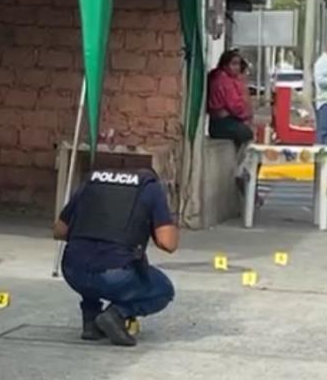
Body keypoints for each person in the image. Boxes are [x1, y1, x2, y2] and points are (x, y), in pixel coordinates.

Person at [53, 168, 178, 347]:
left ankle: (91, 320)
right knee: (163, 289)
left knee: (88, 258)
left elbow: (60, 231)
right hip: (114, 274)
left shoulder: (91, 181)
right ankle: (116, 314)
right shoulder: (150, 188)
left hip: (72, 271)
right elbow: (168, 243)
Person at [207, 49, 254, 149]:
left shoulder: (231, 79)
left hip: (223, 121)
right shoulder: (223, 80)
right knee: (246, 134)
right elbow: (235, 106)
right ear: (225, 65)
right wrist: (246, 116)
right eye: (234, 64)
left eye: (238, 64)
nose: (237, 68)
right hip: (222, 123)